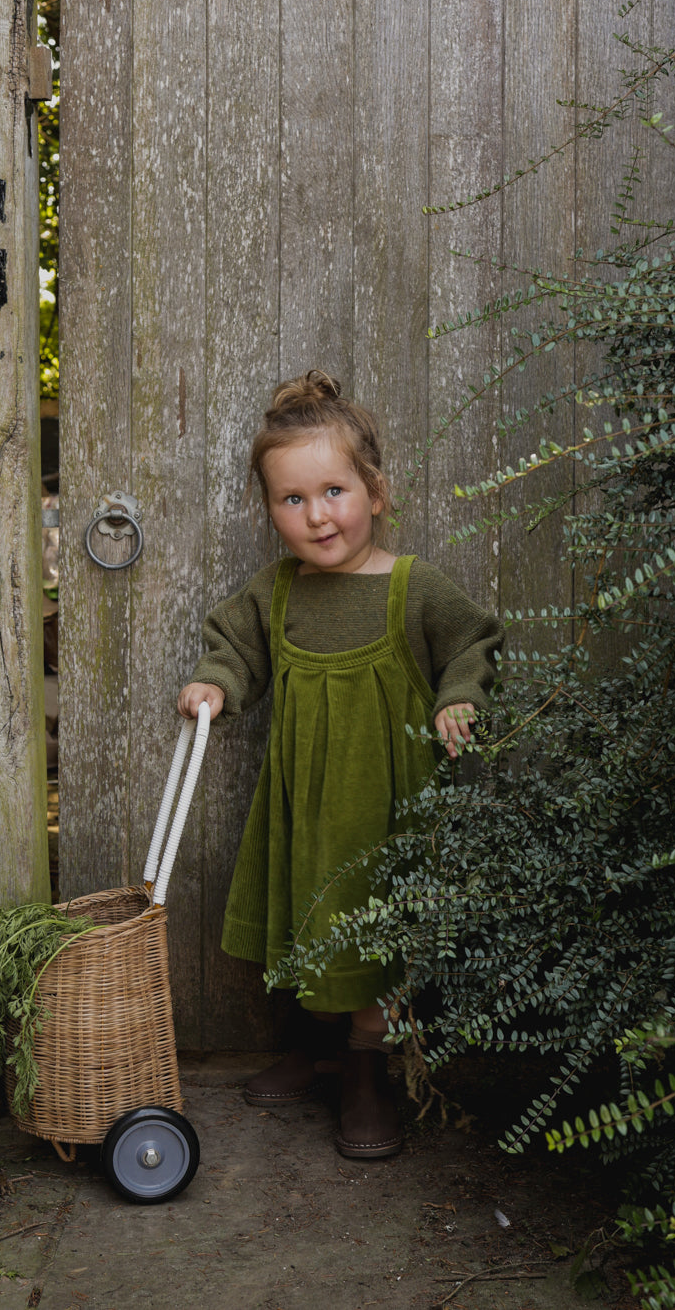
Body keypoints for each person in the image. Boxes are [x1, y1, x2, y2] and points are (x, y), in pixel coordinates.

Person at [178, 370, 503, 1159]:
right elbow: (235, 647)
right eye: (292, 499)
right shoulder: (278, 591)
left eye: (334, 490)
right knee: (307, 920)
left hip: (385, 807)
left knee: (376, 933)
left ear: (376, 491)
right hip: (305, 802)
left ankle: (367, 1066)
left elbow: (472, 642)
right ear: (270, 512)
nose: (317, 515)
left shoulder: (410, 588)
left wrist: (456, 698)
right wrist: (215, 683)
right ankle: (319, 1047)